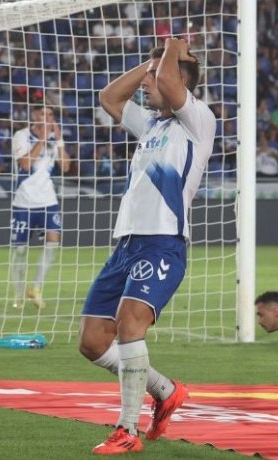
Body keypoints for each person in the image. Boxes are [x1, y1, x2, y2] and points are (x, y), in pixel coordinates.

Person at [79, 38, 216, 455]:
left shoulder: (197, 120)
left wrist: (172, 48)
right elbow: (109, 97)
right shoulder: (152, 126)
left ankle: (126, 430)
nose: (147, 85)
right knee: (92, 342)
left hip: (162, 243)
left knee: (129, 324)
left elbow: (173, 88)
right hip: (126, 243)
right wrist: (150, 63)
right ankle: (166, 390)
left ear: (179, 82)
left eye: (155, 80)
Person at [9, 105, 71, 309]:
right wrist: (43, 139)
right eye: (43, 114)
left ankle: (35, 288)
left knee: (53, 242)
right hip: (24, 202)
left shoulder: (55, 140)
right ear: (34, 116)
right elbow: (25, 164)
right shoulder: (21, 135)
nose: (47, 118)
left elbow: (66, 166)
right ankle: (18, 294)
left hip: (48, 201)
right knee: (20, 250)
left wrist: (59, 140)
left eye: (51, 115)